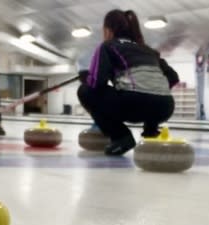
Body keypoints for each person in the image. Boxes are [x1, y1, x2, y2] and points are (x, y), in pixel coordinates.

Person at [77, 9, 180, 156]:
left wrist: (85, 77)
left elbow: (96, 83)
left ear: (108, 29)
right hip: (166, 107)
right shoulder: (148, 50)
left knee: (85, 91)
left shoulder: (108, 46)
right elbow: (173, 77)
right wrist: (156, 92)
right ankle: (151, 130)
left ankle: (121, 137)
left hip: (134, 105)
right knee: (151, 95)